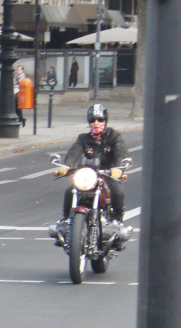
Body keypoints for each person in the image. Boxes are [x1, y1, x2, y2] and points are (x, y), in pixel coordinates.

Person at [50, 103, 130, 246]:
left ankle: (117, 225)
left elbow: (120, 153)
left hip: (107, 175)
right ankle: (67, 224)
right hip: (87, 176)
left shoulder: (114, 136)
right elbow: (74, 152)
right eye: (92, 120)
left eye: (100, 119)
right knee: (70, 191)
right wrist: (67, 165)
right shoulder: (83, 138)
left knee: (117, 191)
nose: (96, 123)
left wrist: (118, 168)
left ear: (105, 121)